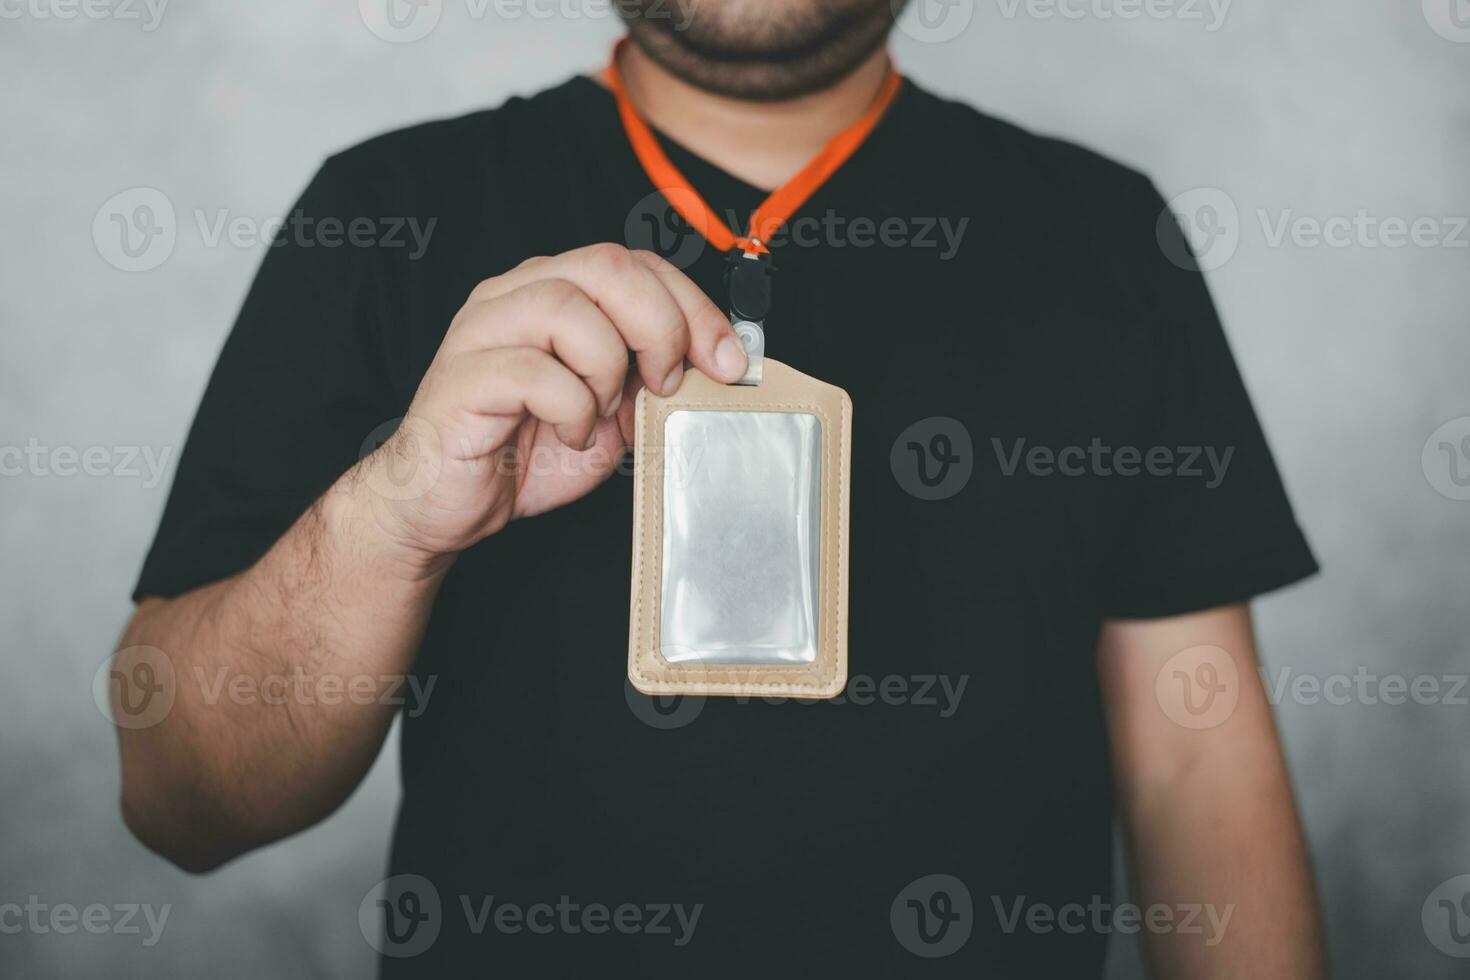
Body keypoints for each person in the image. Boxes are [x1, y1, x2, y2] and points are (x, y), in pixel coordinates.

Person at [112, 1, 1327, 975]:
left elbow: (1196, 762)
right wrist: (395, 512)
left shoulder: (1109, 233)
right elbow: (179, 796)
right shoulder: (383, 214)